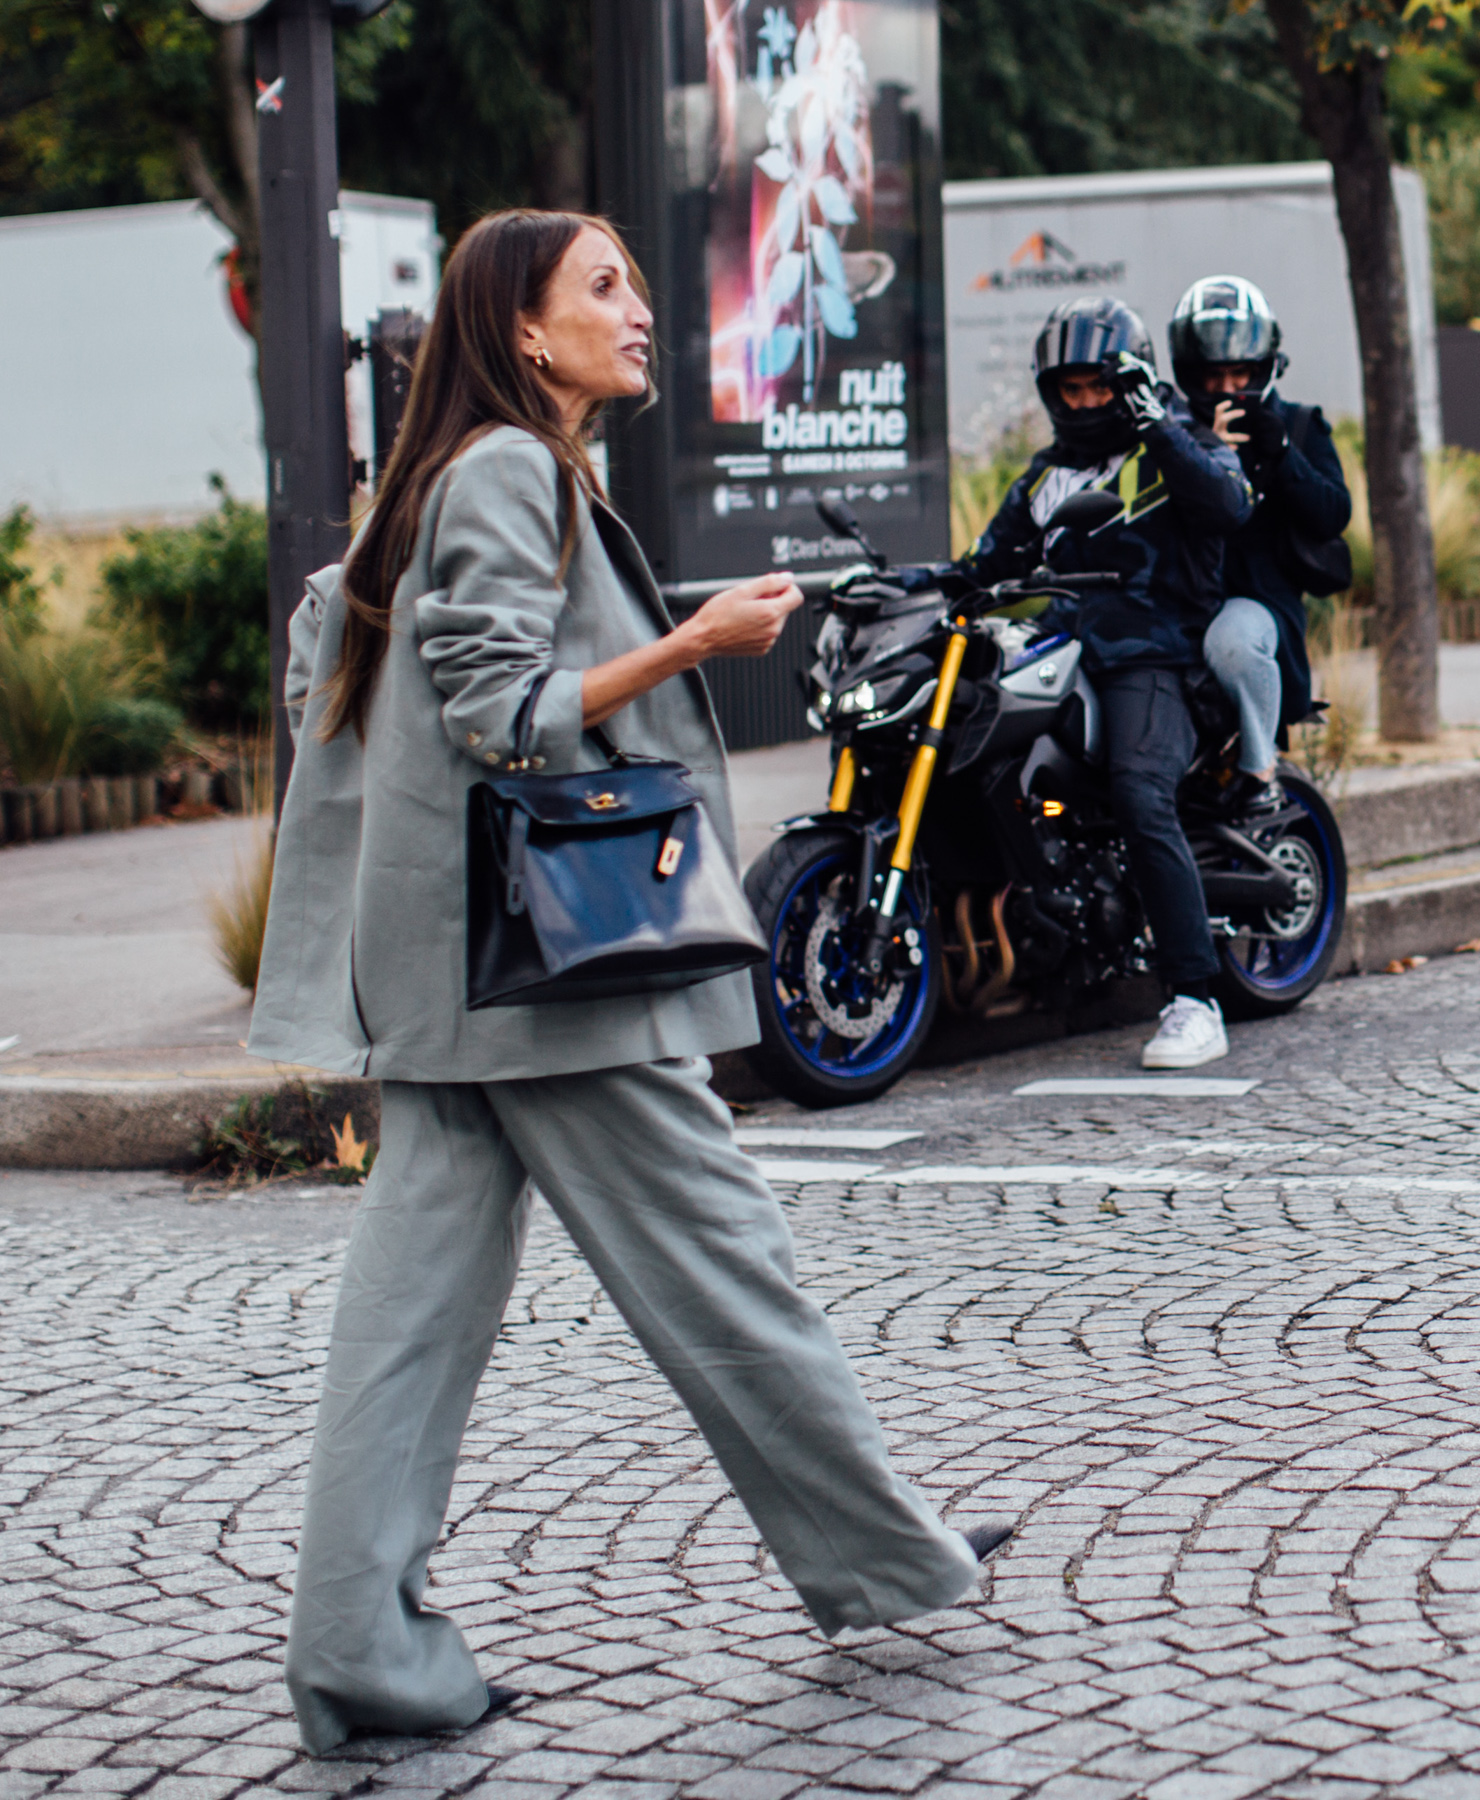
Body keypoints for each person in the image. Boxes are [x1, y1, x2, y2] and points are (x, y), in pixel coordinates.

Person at [247, 210, 1006, 1754]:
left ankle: (357, 1650)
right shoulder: (511, 471)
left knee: (408, 1330)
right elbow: (504, 714)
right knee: (727, 1264)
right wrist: (694, 642)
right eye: (604, 286)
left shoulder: (470, 473)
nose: (639, 310)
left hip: (458, 984)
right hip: (550, 982)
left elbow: (471, 685)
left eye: (641, 286)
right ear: (522, 331)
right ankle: (887, 1556)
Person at [934, 297, 1254, 1069]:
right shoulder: (1048, 476)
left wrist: (1154, 420)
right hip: (1065, 649)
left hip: (1154, 655)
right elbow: (987, 564)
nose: (1084, 403)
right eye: (1069, 389)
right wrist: (905, 583)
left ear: (1130, 381)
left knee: (1141, 793)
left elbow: (1227, 506)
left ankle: (1194, 999)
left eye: (1098, 387)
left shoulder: (1181, 441)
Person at [1166, 275, 1353, 814]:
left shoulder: (1298, 424)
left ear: (1264, 365)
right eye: (1214, 375)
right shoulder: (1170, 436)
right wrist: (1205, 455)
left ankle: (1259, 772)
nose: (1228, 388)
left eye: (1240, 373)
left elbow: (1332, 514)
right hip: (1177, 602)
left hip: (1258, 603)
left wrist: (1283, 456)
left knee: (1233, 642)